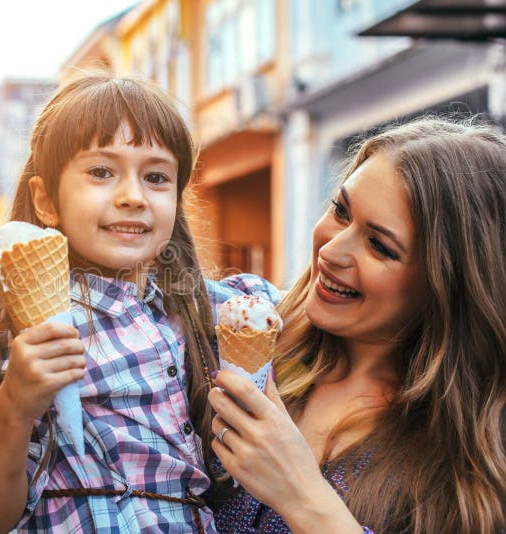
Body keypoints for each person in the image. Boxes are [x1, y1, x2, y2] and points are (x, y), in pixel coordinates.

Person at [0, 73, 278, 533]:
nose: (132, 196)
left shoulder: (210, 312)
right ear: (45, 200)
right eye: (101, 171)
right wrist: (16, 406)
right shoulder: (30, 334)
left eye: (157, 177)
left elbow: (299, 305)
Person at [207, 117, 506, 533]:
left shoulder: (472, 466)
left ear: (446, 287)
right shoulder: (249, 333)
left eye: (380, 245)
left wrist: (304, 498)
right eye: (341, 211)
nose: (331, 250)